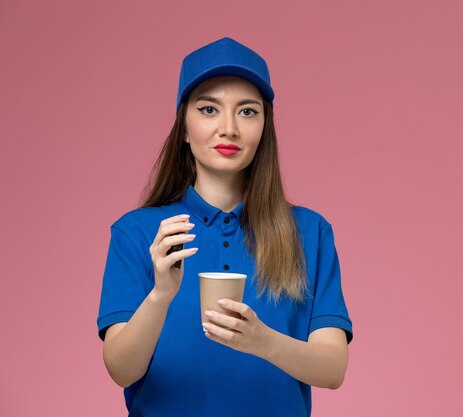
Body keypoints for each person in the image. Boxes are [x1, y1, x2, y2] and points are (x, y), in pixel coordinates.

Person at [96, 36, 354, 417]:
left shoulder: (309, 233)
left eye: (248, 112)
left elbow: (333, 369)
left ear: (265, 127)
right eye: (209, 109)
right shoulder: (137, 233)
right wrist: (160, 294)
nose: (229, 128)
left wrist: (263, 341)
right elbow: (121, 370)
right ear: (183, 127)